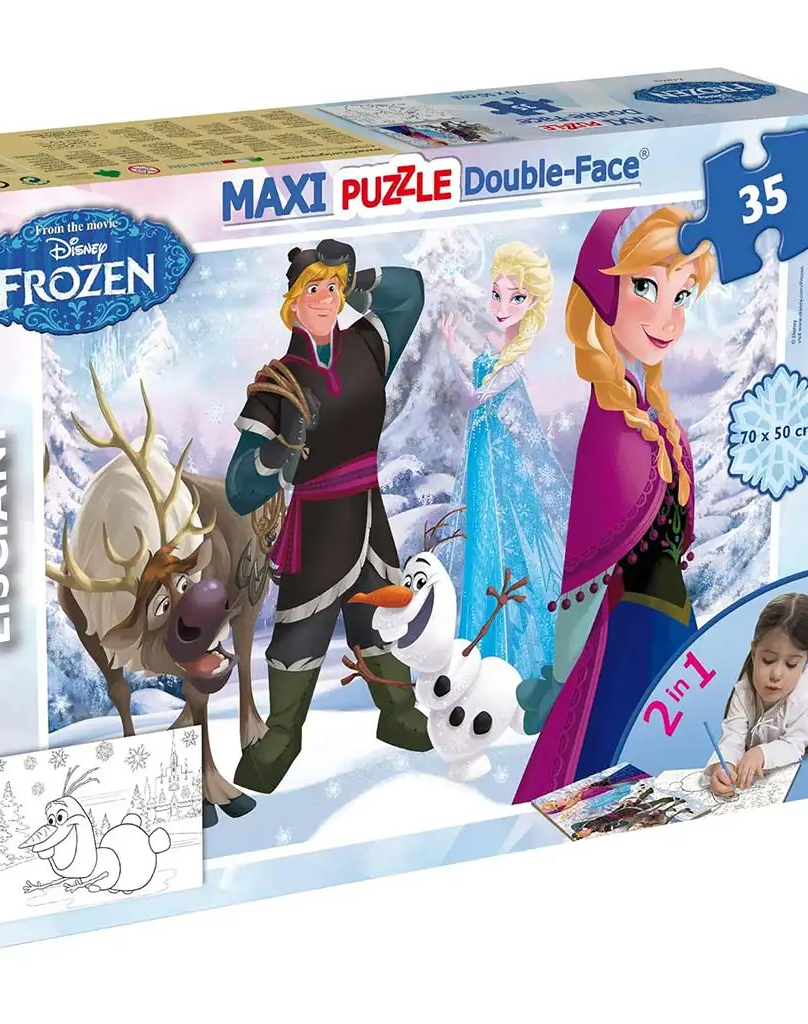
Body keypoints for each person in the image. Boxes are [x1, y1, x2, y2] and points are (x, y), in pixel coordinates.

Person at [514, 205, 715, 803]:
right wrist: (563, 665)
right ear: (604, 295)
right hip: (629, 635)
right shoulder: (613, 425)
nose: (667, 316)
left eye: (682, 295)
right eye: (646, 287)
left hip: (668, 627)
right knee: (619, 773)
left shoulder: (650, 412)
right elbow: (592, 558)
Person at [226, 239, 432, 795]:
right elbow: (240, 488)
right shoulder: (276, 384)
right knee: (301, 633)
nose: (325, 298)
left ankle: (399, 714)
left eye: (333, 287)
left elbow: (410, 291)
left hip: (368, 512)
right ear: (292, 302)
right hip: (317, 525)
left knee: (381, 616)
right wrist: (278, 452)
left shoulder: (367, 346)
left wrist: (357, 277)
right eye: (312, 288)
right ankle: (282, 737)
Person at [439, 241, 566, 682]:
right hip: (484, 462)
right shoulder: (498, 350)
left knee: (506, 543)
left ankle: (516, 652)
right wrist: (454, 348)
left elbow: (479, 395)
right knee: (483, 540)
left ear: (531, 304)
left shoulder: (516, 360)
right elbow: (479, 372)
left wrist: (455, 367)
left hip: (503, 468)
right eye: (497, 294)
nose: (502, 306)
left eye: (515, 298)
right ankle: (484, 645)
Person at [707, 592, 808, 796]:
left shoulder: (804, 695)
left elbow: (794, 744)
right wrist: (723, 766)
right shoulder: (743, 691)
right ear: (754, 651)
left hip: (805, 734)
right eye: (768, 660)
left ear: (806, 661)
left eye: (791, 664)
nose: (776, 674)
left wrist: (762, 753)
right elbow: (733, 737)